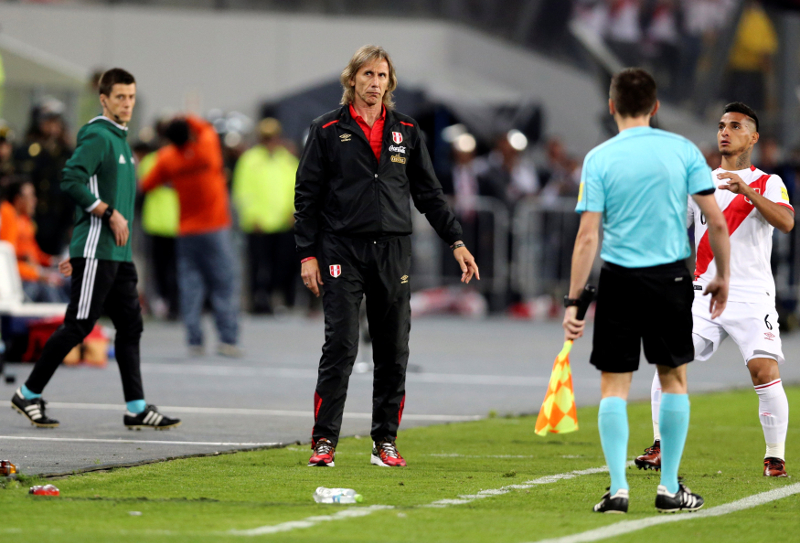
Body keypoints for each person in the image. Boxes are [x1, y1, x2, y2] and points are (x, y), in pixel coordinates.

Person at [295, 45, 479, 468]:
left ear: (389, 82)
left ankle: (385, 443)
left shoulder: (408, 130)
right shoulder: (325, 129)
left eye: (382, 76)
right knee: (340, 345)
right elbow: (306, 196)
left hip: (393, 250)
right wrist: (307, 255)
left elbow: (429, 193)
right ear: (352, 80)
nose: (375, 84)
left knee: (394, 349)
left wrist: (456, 241)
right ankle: (324, 442)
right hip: (341, 248)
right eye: (367, 75)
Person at [563, 68, 730, 513]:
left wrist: (575, 300)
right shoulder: (683, 151)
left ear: (612, 106)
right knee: (673, 379)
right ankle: (670, 487)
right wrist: (723, 276)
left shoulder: (599, 157)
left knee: (614, 386)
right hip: (670, 280)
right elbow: (715, 221)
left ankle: (618, 488)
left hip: (619, 279)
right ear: (656, 107)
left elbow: (587, 237)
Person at [10, 68, 180, 430]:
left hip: (117, 254)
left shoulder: (121, 140)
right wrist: (105, 214)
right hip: (97, 248)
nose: (127, 104)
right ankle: (27, 393)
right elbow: (70, 179)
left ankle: (136, 407)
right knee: (79, 325)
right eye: (120, 97)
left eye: (131, 97)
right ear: (104, 99)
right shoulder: (99, 137)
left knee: (131, 326)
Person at [636, 102, 794, 478]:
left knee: (762, 369)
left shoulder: (768, 182)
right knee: (668, 361)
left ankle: (775, 456)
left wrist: (747, 192)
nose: (725, 131)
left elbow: (787, 221)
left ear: (752, 137)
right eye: (722, 125)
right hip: (704, 296)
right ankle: (661, 447)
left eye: (735, 126)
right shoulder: (699, 182)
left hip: (752, 295)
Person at [140, 115, 241, 357]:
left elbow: (147, 184)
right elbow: (204, 125)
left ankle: (194, 340)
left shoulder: (167, 158)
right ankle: (227, 339)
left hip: (186, 231)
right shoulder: (207, 147)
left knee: (190, 285)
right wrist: (182, 116)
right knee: (223, 283)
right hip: (215, 228)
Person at [232, 118, 299, 314]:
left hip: (283, 223)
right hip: (258, 224)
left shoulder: (287, 160)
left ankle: (277, 298)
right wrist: (252, 216)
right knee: (257, 265)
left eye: (272, 137)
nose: (270, 142)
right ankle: (256, 300)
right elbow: (242, 191)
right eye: (266, 138)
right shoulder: (249, 160)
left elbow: (296, 188)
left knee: (283, 265)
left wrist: (293, 212)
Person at [0, 180, 68, 303]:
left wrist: (52, 261)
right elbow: (7, 263)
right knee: (49, 288)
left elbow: (34, 255)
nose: (35, 200)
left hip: (31, 273)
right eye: (31, 196)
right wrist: (40, 274)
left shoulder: (25, 221)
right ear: (18, 199)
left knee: (69, 279)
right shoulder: (8, 214)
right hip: (20, 280)